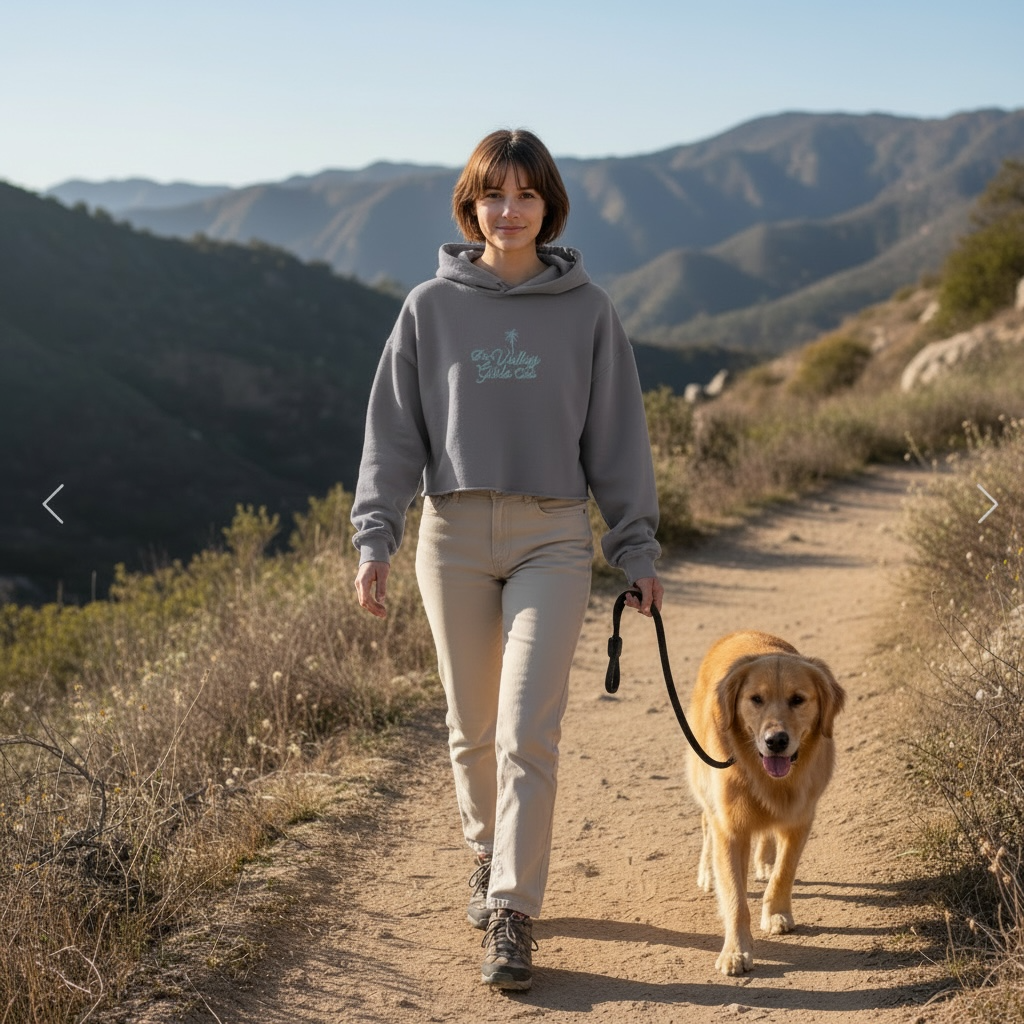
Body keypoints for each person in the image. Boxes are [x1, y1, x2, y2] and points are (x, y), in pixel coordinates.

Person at [352, 128, 663, 991]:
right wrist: (373, 535)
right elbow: (393, 435)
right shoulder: (429, 307)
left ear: (549, 206)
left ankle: (512, 913)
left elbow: (619, 442)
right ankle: (486, 858)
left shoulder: (589, 310)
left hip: (553, 536)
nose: (510, 210)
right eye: (495, 194)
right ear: (471, 204)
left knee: (529, 728)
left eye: (527, 195)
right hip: (450, 536)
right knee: (471, 727)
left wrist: (635, 546)